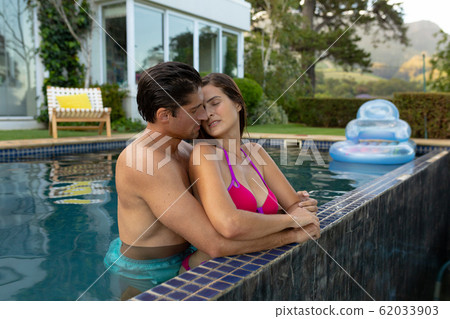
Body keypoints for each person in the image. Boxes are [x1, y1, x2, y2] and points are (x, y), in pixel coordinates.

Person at [104, 62, 319, 298]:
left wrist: (281, 202)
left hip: (186, 255)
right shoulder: (142, 161)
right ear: (165, 115)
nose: (204, 116)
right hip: (145, 273)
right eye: (195, 110)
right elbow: (215, 244)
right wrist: (292, 232)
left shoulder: (186, 151)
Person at [179, 73, 320, 271]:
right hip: (205, 275)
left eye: (215, 103)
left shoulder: (255, 153)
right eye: (202, 109)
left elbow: (296, 205)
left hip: (253, 268)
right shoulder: (205, 154)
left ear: (237, 103)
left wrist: (297, 209)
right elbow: (229, 225)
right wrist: (290, 220)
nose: (208, 113)